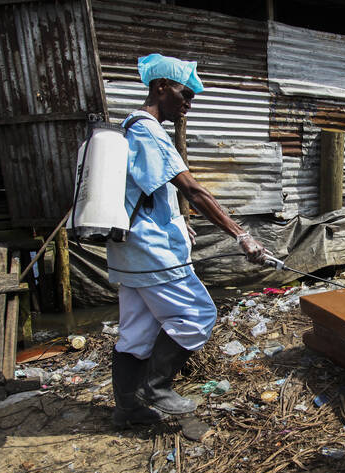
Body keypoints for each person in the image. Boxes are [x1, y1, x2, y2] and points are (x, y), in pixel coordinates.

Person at [106, 53, 266, 428]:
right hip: (152, 251)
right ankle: (155, 387)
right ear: (161, 87)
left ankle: (127, 411)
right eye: (184, 94)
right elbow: (194, 191)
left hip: (129, 250)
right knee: (198, 315)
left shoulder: (130, 128)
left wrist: (177, 221)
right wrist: (241, 234)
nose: (188, 105)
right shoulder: (148, 129)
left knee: (135, 332)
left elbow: (146, 192)